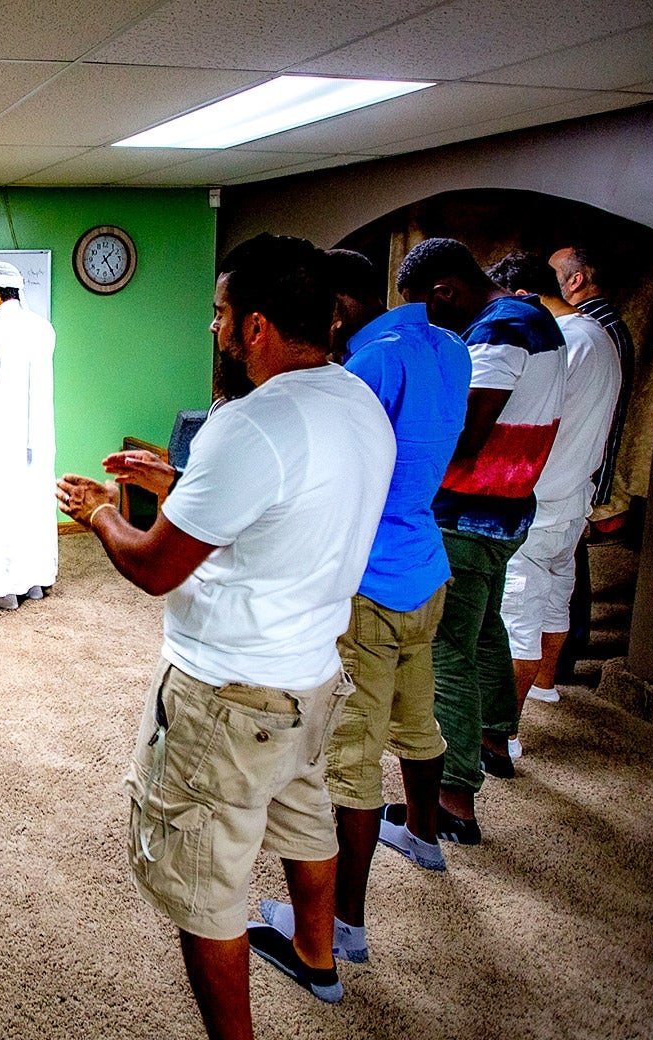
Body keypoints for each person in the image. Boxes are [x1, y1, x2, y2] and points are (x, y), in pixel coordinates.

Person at [57, 234, 394, 1039]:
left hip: (227, 693)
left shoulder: (251, 424)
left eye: (219, 314)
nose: (213, 329)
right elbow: (280, 509)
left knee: (205, 879)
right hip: (310, 675)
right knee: (304, 814)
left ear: (255, 327)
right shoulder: (355, 404)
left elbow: (155, 567)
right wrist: (172, 483)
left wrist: (101, 510)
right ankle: (317, 955)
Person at [258, 250, 469, 966]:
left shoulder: (370, 364)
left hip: (370, 579)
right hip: (426, 566)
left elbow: (330, 467)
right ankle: (421, 836)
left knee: (348, 758)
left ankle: (341, 926)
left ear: (340, 308)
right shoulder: (453, 350)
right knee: (419, 715)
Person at [395, 238, 565, 843]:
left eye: (425, 309)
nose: (428, 325)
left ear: (444, 291)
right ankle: (495, 737)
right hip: (511, 507)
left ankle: (453, 798)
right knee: (486, 624)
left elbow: (462, 435)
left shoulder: (498, 331)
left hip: (470, 515)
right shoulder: (538, 319)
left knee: (445, 649)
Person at [487, 252, 620, 742]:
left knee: (514, 615)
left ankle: (501, 735)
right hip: (573, 494)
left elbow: (531, 413)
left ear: (522, 297)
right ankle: (544, 686)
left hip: (540, 496)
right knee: (553, 601)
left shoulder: (561, 341)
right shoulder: (599, 336)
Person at [548, 244, 635, 675]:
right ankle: (563, 654)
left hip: (584, 465)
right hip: (588, 464)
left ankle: (565, 654)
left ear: (576, 279)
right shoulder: (608, 326)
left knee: (568, 562)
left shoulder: (593, 328)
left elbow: (602, 412)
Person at [0, 260, 57, 610]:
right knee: (31, 504)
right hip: (39, 435)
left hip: (0, 435)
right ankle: (32, 582)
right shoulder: (44, 329)